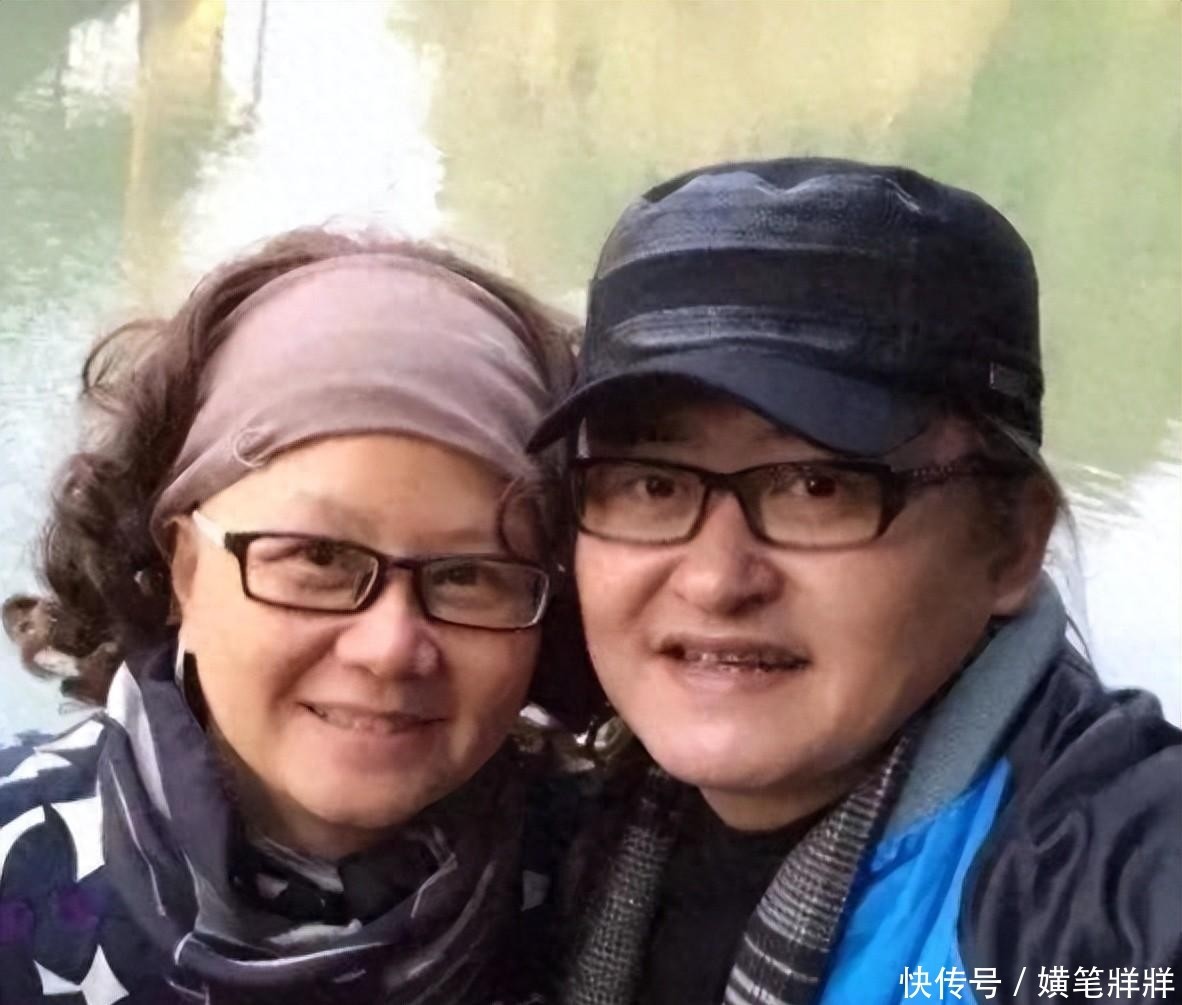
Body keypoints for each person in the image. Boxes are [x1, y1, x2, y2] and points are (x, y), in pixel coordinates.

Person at [529, 158, 1182, 1005]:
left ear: (1012, 543)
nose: (717, 580)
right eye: (652, 484)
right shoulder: (546, 833)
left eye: (818, 487)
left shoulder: (1110, 885)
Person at [0, 228, 582, 1004]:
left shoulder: (616, 885)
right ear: (183, 567)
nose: (390, 646)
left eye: (469, 575)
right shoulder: (17, 859)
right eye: (318, 557)